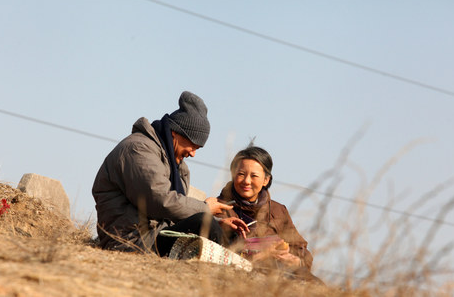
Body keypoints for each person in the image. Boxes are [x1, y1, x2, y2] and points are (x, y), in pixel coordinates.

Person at [92, 91, 246, 256]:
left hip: (157, 235)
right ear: (176, 133)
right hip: (131, 240)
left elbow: (174, 212)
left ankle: (239, 264)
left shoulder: (177, 165)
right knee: (203, 222)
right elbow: (160, 200)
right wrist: (205, 209)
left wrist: (218, 222)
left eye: (197, 149)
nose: (193, 153)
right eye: (193, 145)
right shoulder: (138, 149)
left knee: (221, 230)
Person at [216, 145, 321, 283]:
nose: (246, 181)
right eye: (241, 174)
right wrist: (264, 255)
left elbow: (301, 248)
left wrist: (297, 261)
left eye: (254, 176)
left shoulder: (278, 211)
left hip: (282, 277)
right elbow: (219, 255)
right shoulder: (219, 208)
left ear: (266, 180)